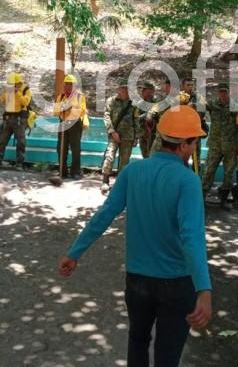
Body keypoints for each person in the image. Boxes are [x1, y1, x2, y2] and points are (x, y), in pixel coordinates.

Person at [58, 105, 212, 367]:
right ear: (186, 144)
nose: (195, 148)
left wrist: (74, 253)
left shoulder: (131, 171)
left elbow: (104, 215)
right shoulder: (188, 181)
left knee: (137, 341)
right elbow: (191, 238)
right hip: (176, 282)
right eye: (195, 142)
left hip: (137, 280)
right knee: (168, 354)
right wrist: (204, 289)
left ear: (161, 137)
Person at [202, 83, 238, 210]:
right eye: (220, 92)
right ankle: (202, 196)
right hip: (215, 144)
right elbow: (200, 109)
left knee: (229, 173)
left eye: (225, 92)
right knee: (208, 171)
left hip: (230, 146)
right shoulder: (212, 104)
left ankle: (224, 199)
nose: (222, 94)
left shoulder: (235, 108)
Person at [101, 81, 137, 195]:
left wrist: (137, 137)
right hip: (114, 134)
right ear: (118, 89)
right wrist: (112, 132)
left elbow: (136, 120)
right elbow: (106, 116)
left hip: (128, 136)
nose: (125, 90)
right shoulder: (111, 101)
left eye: (127, 88)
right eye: (123, 88)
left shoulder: (133, 103)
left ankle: (120, 184)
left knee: (124, 161)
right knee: (109, 156)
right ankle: (105, 181)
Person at [0, 72, 32, 172]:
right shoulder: (8, 89)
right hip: (7, 118)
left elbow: (25, 103)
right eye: (10, 84)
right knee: (1, 141)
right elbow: (2, 100)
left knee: (21, 142)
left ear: (18, 83)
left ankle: (19, 163)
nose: (12, 86)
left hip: (20, 119)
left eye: (14, 85)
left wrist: (17, 93)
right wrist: (7, 92)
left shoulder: (25, 89)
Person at [53, 74, 87, 180]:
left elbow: (82, 111)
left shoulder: (79, 96)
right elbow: (55, 112)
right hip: (63, 123)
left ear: (74, 86)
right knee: (61, 148)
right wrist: (61, 108)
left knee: (75, 148)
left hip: (75, 124)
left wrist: (70, 107)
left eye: (70, 84)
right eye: (66, 84)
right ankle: (62, 171)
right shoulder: (61, 96)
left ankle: (75, 171)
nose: (67, 86)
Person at [179, 77, 208, 174]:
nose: (190, 87)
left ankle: (196, 180)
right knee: (180, 159)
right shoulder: (177, 97)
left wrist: (192, 107)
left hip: (194, 134)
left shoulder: (198, 97)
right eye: (188, 85)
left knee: (196, 159)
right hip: (180, 133)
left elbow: (202, 111)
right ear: (182, 86)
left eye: (192, 85)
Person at [148, 78, 179, 155]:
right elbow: (153, 110)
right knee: (153, 155)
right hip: (160, 135)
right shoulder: (161, 99)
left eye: (169, 87)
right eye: (166, 87)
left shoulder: (181, 99)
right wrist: (150, 115)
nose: (166, 89)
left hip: (175, 137)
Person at [135, 82, 157, 159]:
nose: (142, 92)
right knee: (145, 156)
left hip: (154, 135)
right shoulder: (140, 103)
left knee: (153, 156)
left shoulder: (157, 102)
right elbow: (136, 118)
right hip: (142, 134)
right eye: (142, 90)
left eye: (145, 90)